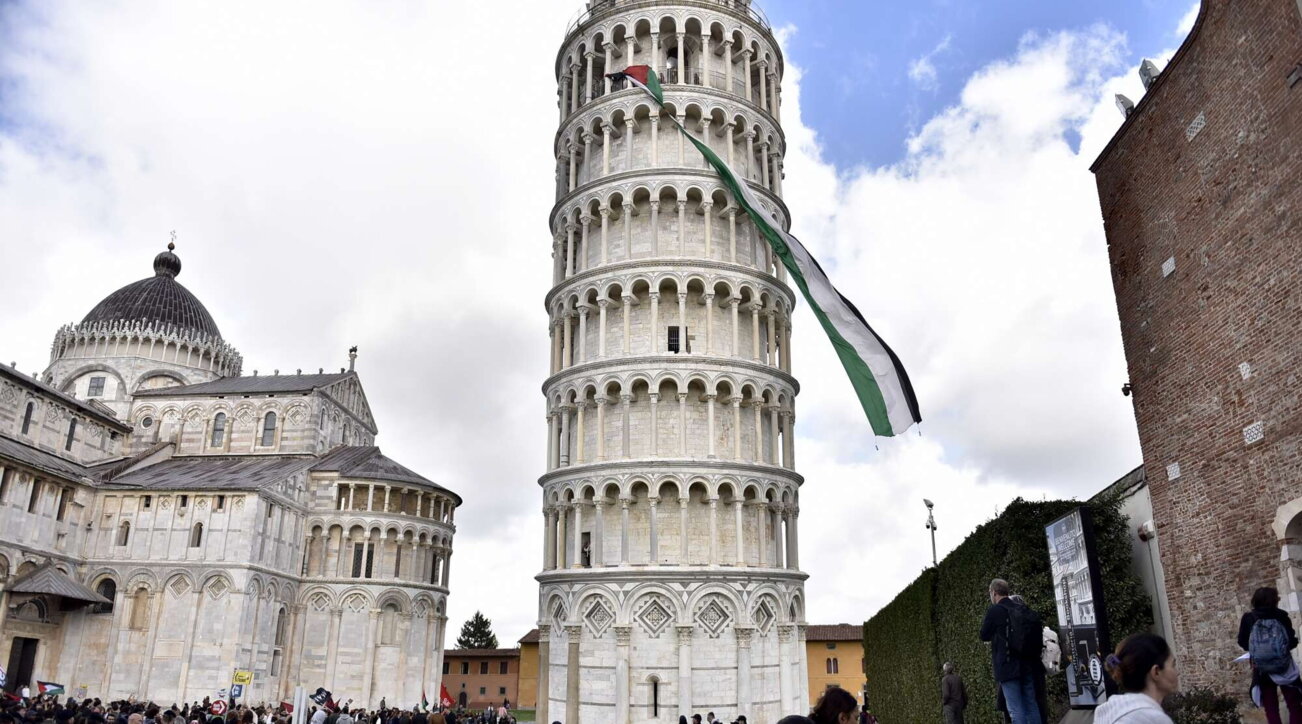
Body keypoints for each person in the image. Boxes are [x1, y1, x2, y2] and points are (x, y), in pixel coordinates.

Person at [979, 579, 1042, 724]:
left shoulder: (995, 611)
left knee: (1015, 710)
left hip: (1007, 666)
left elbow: (984, 635)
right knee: (1031, 705)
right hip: (1027, 664)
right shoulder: (1022, 608)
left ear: (994, 592)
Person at [1239, 586, 1302, 723]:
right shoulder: (1281, 616)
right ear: (1274, 600)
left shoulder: (1248, 618)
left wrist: (1258, 651)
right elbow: (1291, 641)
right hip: (1285, 666)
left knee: (1271, 708)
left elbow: (1242, 642)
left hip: (1262, 669)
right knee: (1295, 705)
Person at [1094, 634, 1177, 723]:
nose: (1177, 672)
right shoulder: (1154, 719)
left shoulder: (1107, 714)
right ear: (1156, 672)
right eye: (1173, 665)